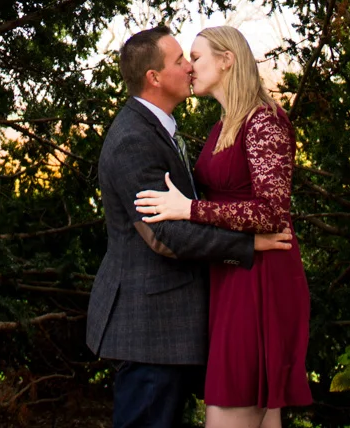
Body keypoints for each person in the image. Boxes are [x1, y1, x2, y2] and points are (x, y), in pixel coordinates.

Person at [89, 27, 294, 428]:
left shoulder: (196, 127)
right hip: (151, 323)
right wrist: (247, 245)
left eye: (193, 57)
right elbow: (164, 235)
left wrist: (193, 209)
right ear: (154, 77)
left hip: (222, 298)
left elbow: (256, 204)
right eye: (181, 59)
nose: (188, 67)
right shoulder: (135, 138)